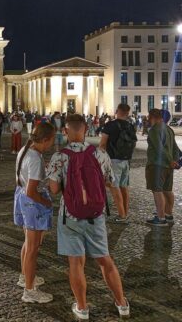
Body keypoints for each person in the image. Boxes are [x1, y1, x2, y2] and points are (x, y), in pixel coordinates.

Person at [47, 114, 129, 320]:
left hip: (70, 217)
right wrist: (120, 210)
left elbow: (54, 189)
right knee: (105, 260)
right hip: (96, 215)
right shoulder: (100, 154)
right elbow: (111, 182)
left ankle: (82, 308)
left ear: (65, 131)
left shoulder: (59, 157)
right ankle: (122, 303)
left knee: (75, 263)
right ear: (85, 129)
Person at [14, 122, 55, 303]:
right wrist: (46, 202)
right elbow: (33, 191)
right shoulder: (35, 158)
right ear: (45, 140)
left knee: (28, 243)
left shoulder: (25, 149)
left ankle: (26, 277)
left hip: (22, 197)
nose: (52, 145)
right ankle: (29, 291)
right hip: (32, 203)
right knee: (33, 248)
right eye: (51, 141)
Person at [99, 103, 137, 224]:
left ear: (117, 111)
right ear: (127, 113)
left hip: (113, 160)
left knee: (114, 188)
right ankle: (125, 212)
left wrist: (100, 159)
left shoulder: (110, 125)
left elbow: (103, 144)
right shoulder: (131, 126)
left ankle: (121, 216)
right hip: (126, 160)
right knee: (124, 187)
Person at [145, 108, 179, 226]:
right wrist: (174, 160)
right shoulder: (169, 129)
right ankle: (168, 214)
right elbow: (175, 148)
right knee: (167, 190)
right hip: (169, 167)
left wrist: (170, 161)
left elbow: (159, 147)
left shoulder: (154, 130)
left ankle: (160, 218)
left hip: (157, 165)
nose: (148, 119)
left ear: (153, 117)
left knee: (157, 190)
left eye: (149, 117)